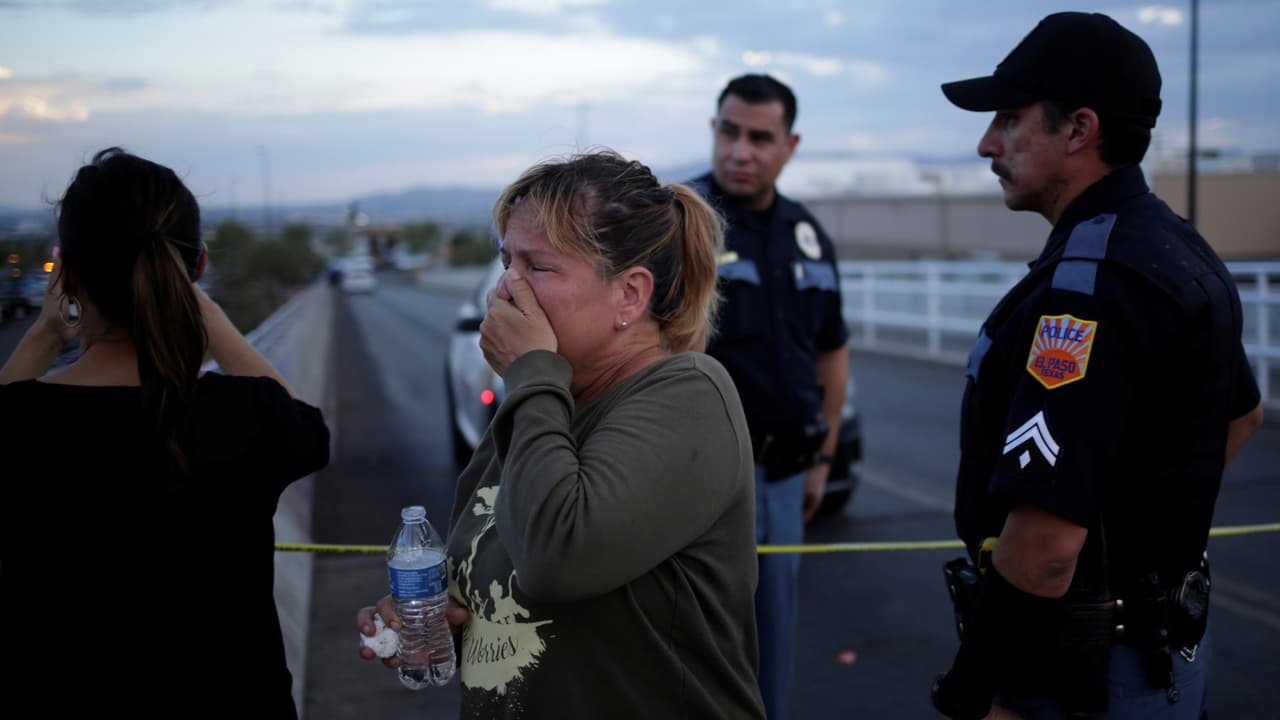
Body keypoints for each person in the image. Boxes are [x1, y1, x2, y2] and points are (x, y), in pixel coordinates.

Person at [930, 12, 1264, 719]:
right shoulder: (1174, 247)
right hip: (1162, 656)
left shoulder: (1090, 289)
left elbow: (1047, 546)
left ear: (1079, 130)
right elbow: (1239, 415)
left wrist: (983, 691)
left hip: (1084, 674)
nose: (988, 143)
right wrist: (1146, 532)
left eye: (1010, 119)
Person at [357, 149, 766, 719]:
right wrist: (439, 618)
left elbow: (557, 557)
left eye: (538, 268)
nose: (505, 290)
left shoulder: (689, 396)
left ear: (630, 294)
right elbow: (497, 577)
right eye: (506, 263)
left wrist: (529, 372)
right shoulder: (544, 407)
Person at [0, 148, 331, 718]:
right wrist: (211, 317)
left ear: (69, 275)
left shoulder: (22, 423)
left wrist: (43, 337)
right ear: (197, 268)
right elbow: (306, 427)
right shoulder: (242, 416)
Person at [688, 73, 850, 720]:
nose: (740, 151)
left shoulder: (807, 235)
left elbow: (831, 352)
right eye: (729, 132)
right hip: (697, 482)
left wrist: (822, 458)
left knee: (770, 643)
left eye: (760, 137)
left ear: (790, 145)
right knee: (694, 645)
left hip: (783, 475)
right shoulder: (677, 222)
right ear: (714, 131)